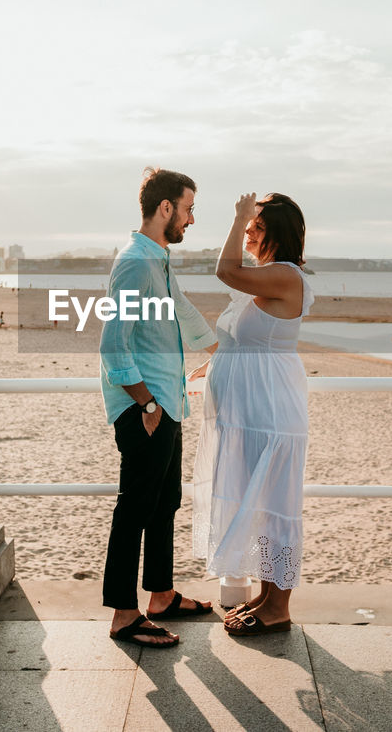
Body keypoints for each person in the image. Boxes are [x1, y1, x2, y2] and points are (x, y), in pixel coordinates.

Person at [99, 167, 218, 648]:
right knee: (135, 509)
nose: (191, 219)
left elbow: (181, 309)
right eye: (188, 209)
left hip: (167, 402)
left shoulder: (157, 260)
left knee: (163, 503)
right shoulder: (134, 263)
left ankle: (162, 596)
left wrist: (219, 348)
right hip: (145, 407)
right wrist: (146, 403)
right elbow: (113, 346)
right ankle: (124, 616)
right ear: (165, 208)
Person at [192, 192, 311, 636]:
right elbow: (242, 340)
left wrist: (239, 212)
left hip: (271, 411)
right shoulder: (264, 277)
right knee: (258, 503)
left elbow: (225, 270)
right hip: (248, 414)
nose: (247, 232)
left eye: (256, 227)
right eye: (248, 225)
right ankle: (265, 597)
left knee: (275, 506)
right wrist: (210, 369)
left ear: (278, 234)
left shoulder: (285, 275)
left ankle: (278, 609)